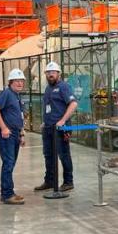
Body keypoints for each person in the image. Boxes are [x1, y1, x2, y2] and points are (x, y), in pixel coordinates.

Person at [35, 61, 78, 193]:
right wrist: (45, 121)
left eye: (53, 72)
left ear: (58, 73)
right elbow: (50, 108)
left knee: (63, 154)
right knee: (48, 155)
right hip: (48, 128)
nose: (50, 74)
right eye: (48, 72)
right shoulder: (48, 88)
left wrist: (62, 120)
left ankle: (68, 182)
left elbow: (73, 104)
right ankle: (50, 181)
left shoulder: (63, 87)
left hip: (60, 128)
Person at [0, 68, 27, 205]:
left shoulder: (17, 96)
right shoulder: (7, 94)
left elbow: (20, 117)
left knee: (11, 164)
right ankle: (7, 194)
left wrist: (21, 134)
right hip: (7, 135)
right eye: (17, 81)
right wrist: (4, 128)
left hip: (15, 134)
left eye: (21, 81)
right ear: (11, 82)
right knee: (8, 163)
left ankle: (9, 192)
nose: (19, 83)